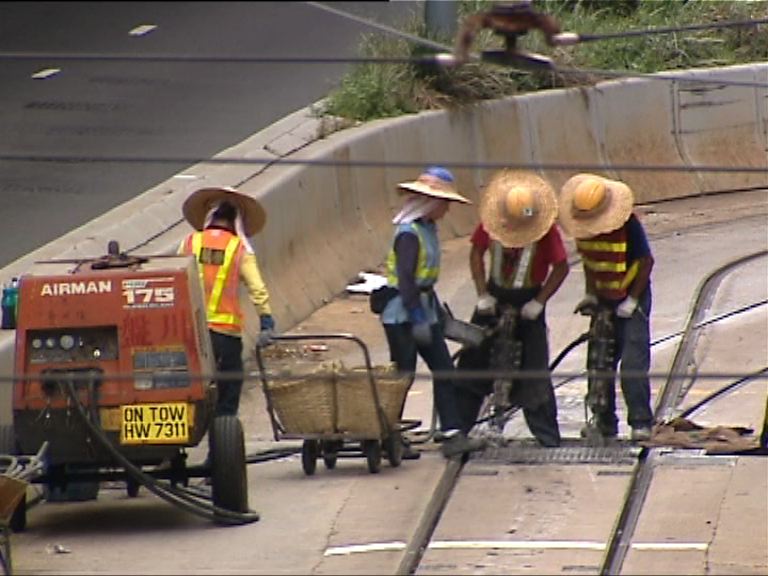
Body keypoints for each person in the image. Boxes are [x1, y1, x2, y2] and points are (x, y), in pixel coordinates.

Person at [379, 166, 486, 459]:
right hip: (402, 315)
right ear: (432, 203)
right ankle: (390, 435)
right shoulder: (408, 235)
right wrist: (417, 319)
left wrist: (438, 316)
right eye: (445, 203)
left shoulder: (427, 229)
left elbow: (425, 281)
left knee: (444, 370)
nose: (448, 210)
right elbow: (407, 280)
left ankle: (452, 434)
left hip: (425, 311)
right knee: (403, 375)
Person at [455, 169, 568, 447]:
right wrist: (482, 294)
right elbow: (475, 253)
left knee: (534, 366)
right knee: (472, 362)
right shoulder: (491, 223)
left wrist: (539, 301)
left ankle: (546, 435)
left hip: (528, 299)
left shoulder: (546, 231)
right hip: (495, 297)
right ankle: (457, 428)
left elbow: (561, 266)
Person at [558, 173, 655, 442]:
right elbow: (590, 262)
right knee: (600, 362)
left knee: (633, 362)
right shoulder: (581, 226)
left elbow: (646, 261)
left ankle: (640, 421)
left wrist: (632, 301)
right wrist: (591, 295)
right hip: (604, 298)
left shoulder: (629, 225)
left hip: (631, 295)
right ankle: (604, 421)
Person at [178, 185, 276, 419]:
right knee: (228, 389)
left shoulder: (191, 242)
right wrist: (266, 320)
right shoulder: (239, 248)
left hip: (191, 331)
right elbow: (257, 288)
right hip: (225, 334)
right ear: (236, 222)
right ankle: (223, 435)